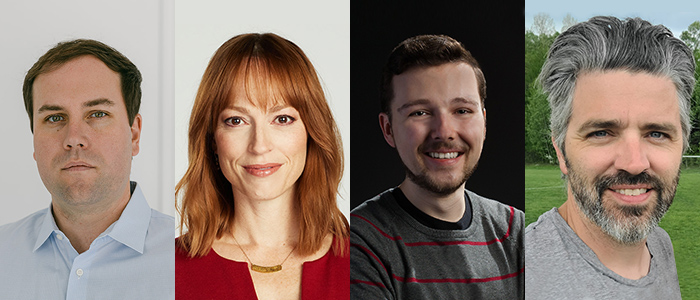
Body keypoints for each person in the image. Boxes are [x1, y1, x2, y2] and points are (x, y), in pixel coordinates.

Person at [525, 16, 694, 299]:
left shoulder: (660, 245)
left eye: (656, 133)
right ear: (560, 150)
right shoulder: (523, 275)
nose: (634, 163)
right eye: (602, 133)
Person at [175, 33, 350, 299]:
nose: (259, 145)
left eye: (282, 118)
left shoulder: (366, 260)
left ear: (312, 131)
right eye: (236, 121)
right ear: (212, 139)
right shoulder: (166, 271)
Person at [350, 34, 524, 299]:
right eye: (419, 112)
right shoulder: (358, 243)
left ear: (484, 122)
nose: (444, 132)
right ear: (388, 129)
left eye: (462, 110)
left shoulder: (517, 232)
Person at [0, 39, 174, 299]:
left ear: (134, 134)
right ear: (34, 139)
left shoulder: (188, 257)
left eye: (97, 114)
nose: (73, 137)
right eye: (54, 118)